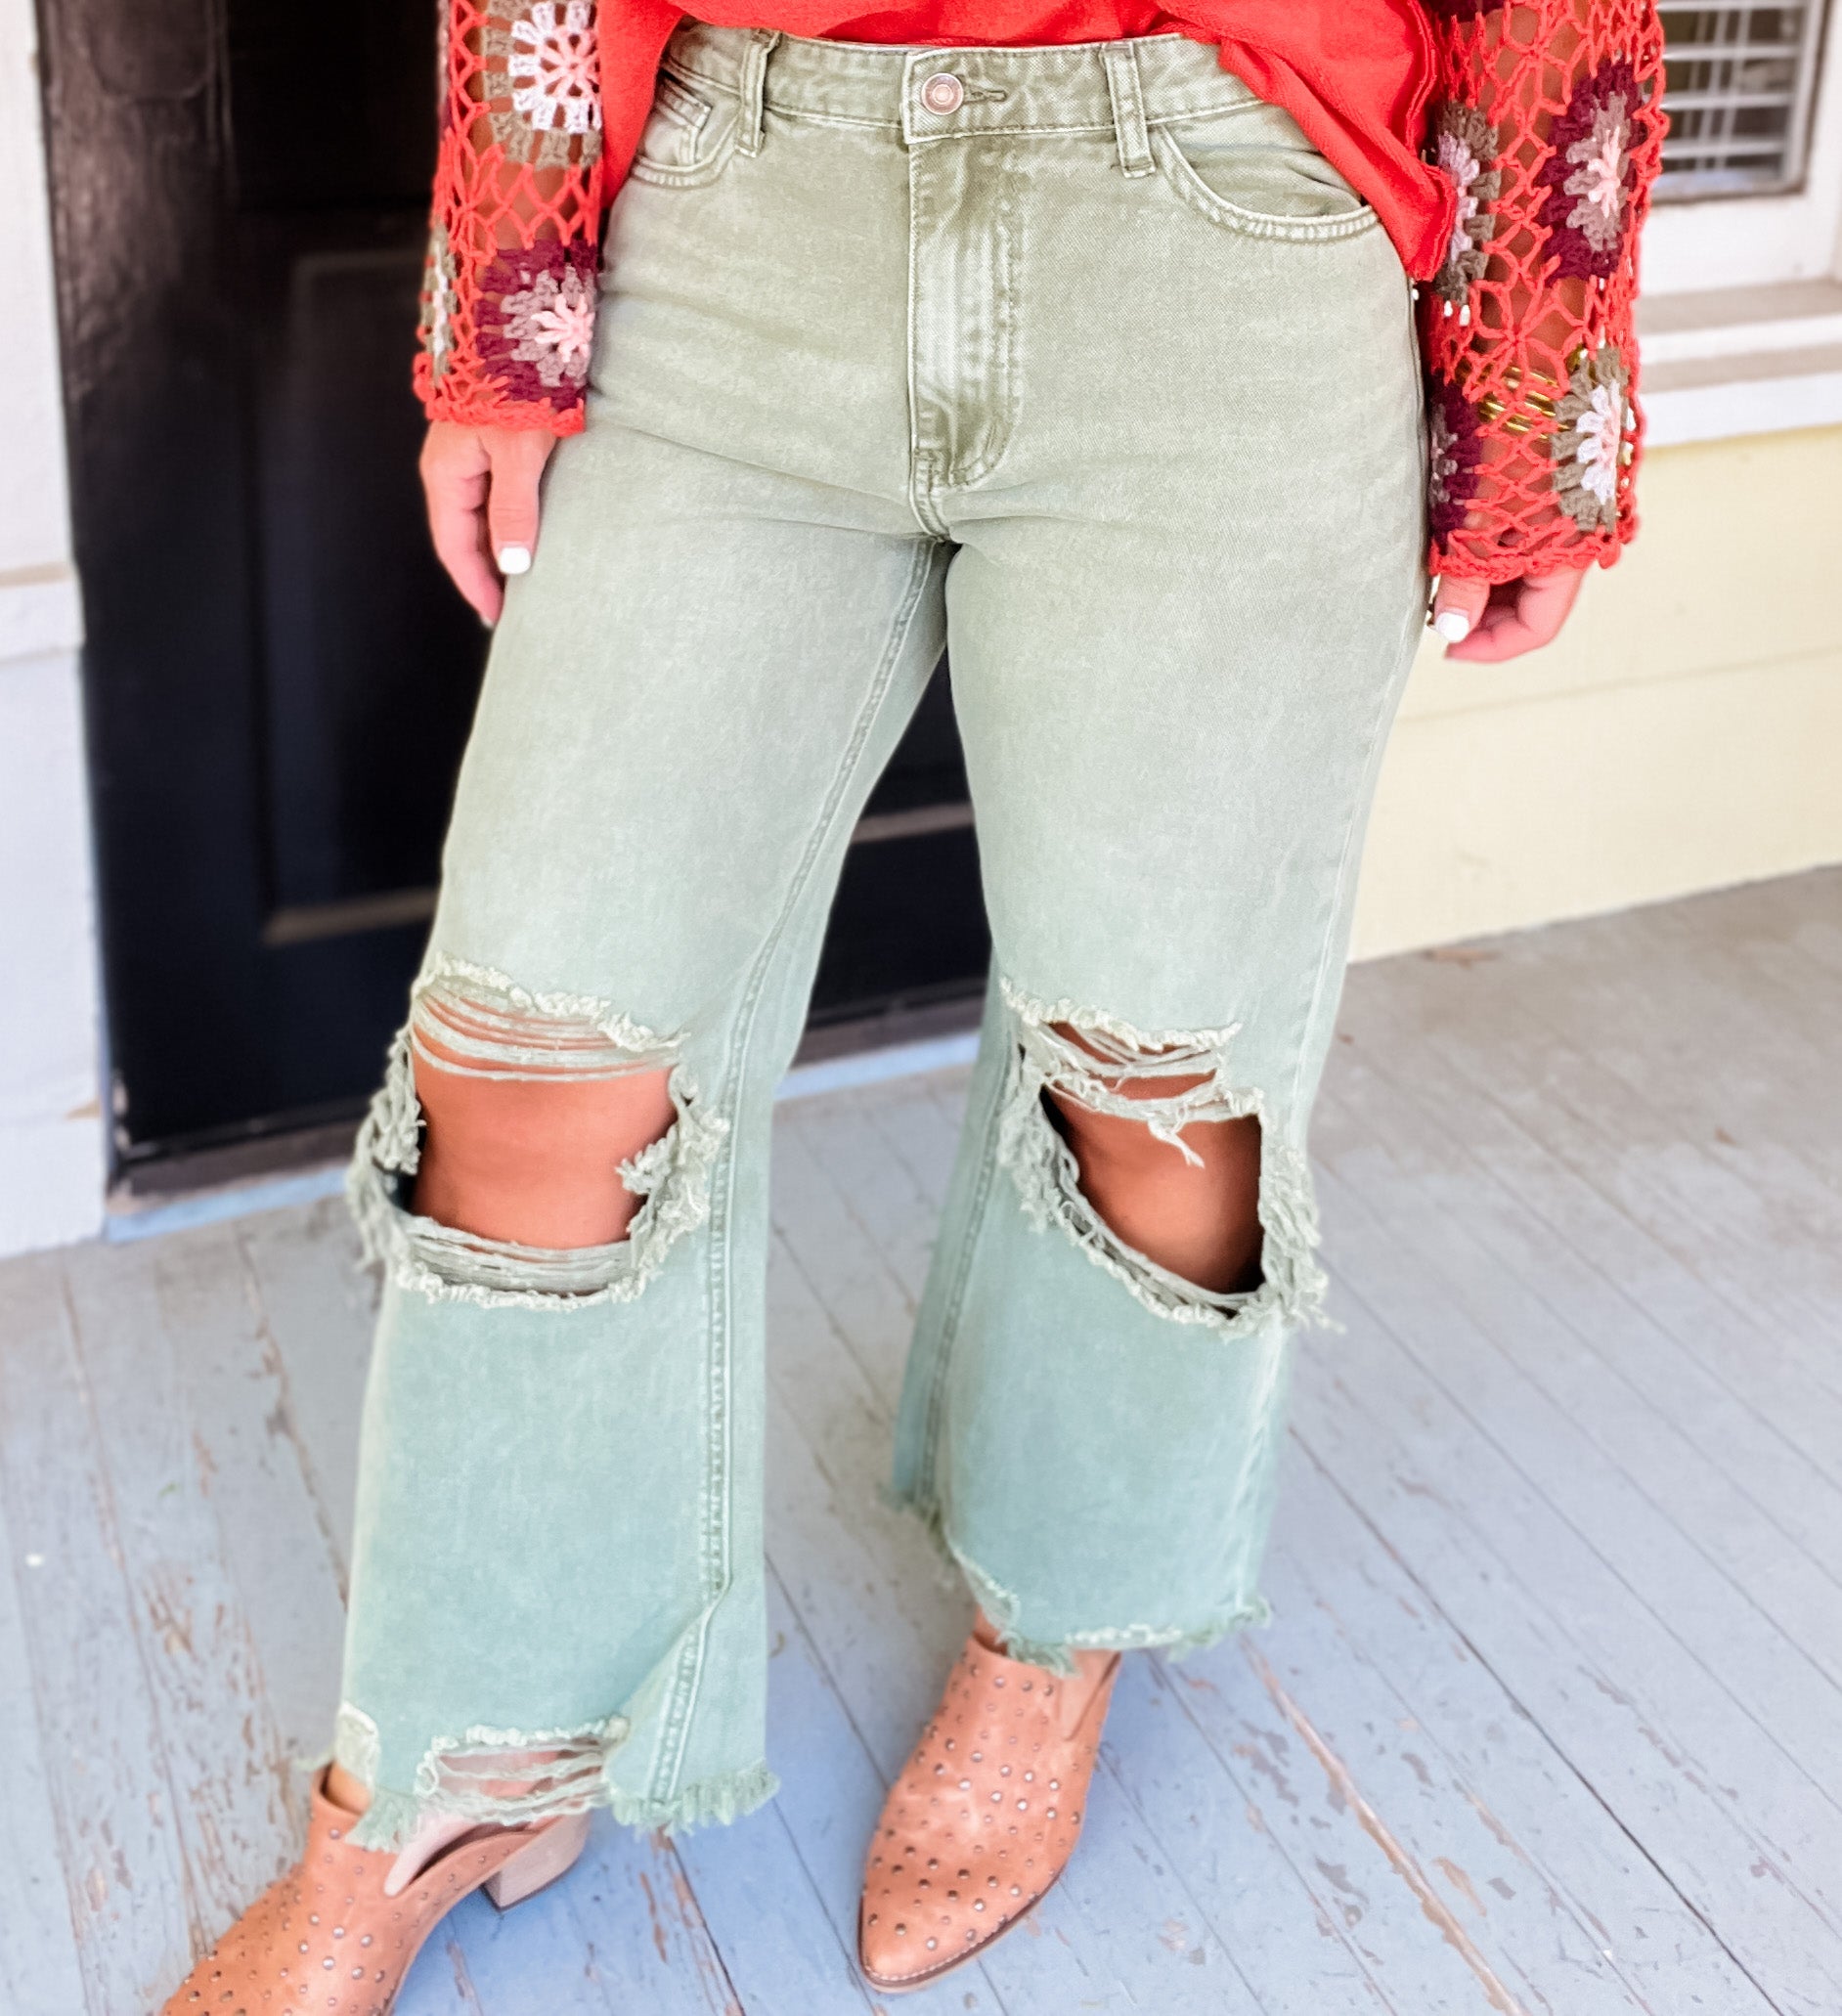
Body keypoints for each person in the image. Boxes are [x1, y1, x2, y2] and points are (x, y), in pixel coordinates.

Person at [163, 1, 1663, 2005]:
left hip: (1232, 221)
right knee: (532, 1046)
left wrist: (1542, 377)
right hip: (734, 208)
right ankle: (455, 1774)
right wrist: (506, 288)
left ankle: (1052, 1628)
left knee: (1161, 1072)